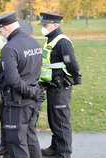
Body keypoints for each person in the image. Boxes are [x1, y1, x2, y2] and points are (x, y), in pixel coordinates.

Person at [0, 12, 45, 158]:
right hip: (32, 101)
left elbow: (13, 80)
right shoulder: (34, 42)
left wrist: (30, 92)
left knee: (16, 143)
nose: (1, 34)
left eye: (0, 30)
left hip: (17, 103)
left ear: (6, 28)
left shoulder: (9, 48)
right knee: (30, 138)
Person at [39, 12, 82, 158]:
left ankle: (64, 153)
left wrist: (74, 78)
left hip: (61, 85)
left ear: (55, 25)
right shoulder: (51, 39)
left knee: (61, 120)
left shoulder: (62, 41)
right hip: (51, 85)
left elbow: (72, 63)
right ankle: (56, 146)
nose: (43, 27)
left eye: (46, 25)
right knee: (53, 118)